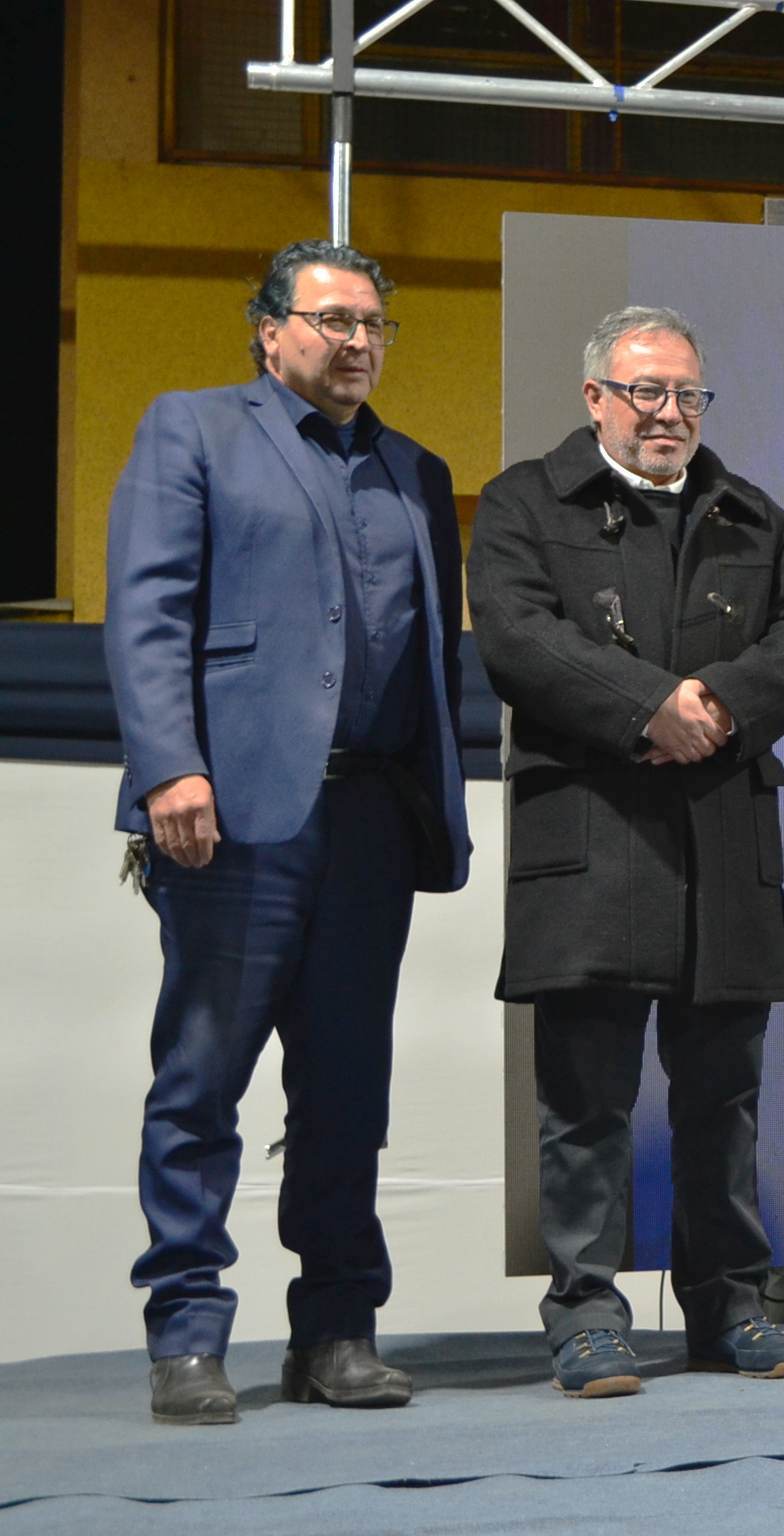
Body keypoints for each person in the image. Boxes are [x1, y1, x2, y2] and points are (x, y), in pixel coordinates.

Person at [105, 239, 471, 1426]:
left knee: (347, 1090)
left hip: (370, 817)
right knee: (202, 1079)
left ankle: (336, 1332)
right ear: (268, 330)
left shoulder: (418, 469)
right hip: (233, 813)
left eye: (374, 323)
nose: (357, 341)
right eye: (331, 320)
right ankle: (187, 1333)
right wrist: (172, 765)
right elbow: (148, 608)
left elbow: (426, 664)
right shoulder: (193, 429)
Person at [467, 305, 784, 1395]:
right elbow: (516, 636)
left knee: (722, 1097)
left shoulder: (751, 515)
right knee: (585, 1103)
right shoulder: (524, 504)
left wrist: (715, 705)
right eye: (645, 392)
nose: (668, 413)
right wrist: (648, 706)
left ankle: (729, 1307)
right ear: (595, 399)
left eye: (685, 393)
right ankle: (586, 1316)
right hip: (591, 834)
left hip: (721, 836)